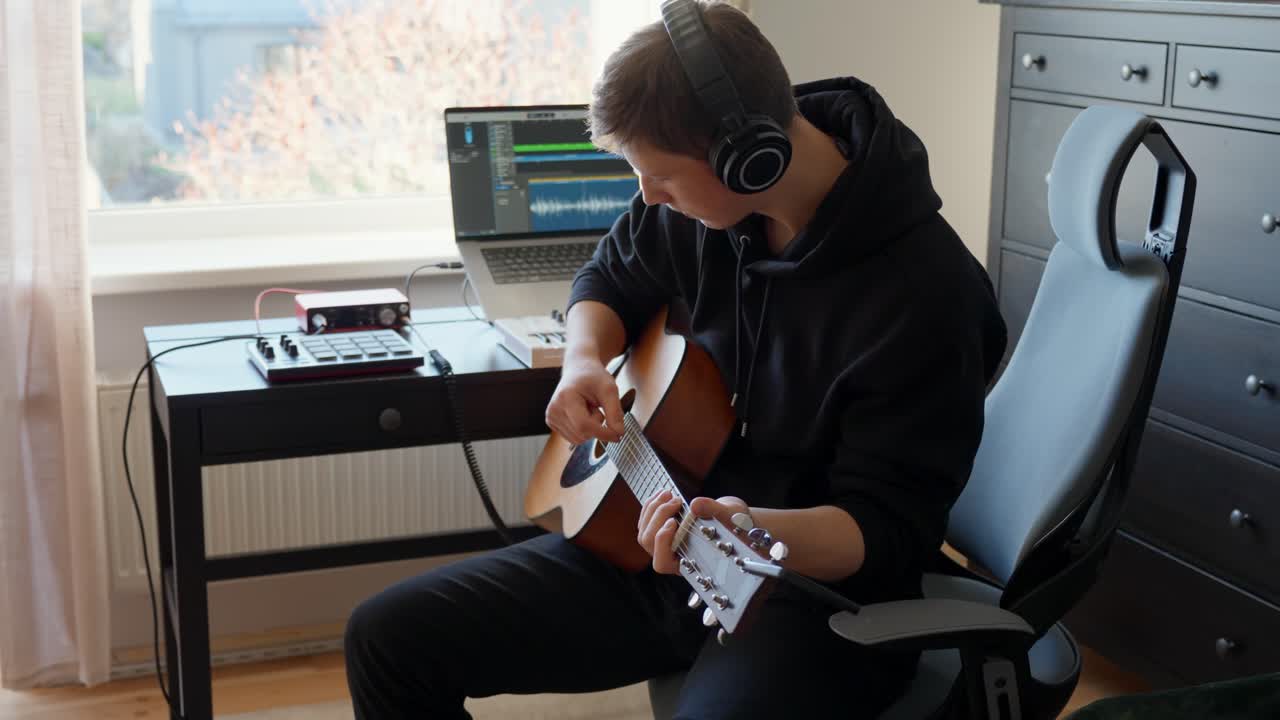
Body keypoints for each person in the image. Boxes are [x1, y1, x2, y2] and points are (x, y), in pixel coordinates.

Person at [344, 2, 1008, 718]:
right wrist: (583, 360)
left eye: (659, 175)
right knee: (387, 637)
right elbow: (608, 277)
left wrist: (748, 530)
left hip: (813, 594)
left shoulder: (928, 295)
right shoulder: (700, 212)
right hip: (657, 549)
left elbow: (887, 529)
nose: (647, 195)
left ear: (748, 156)